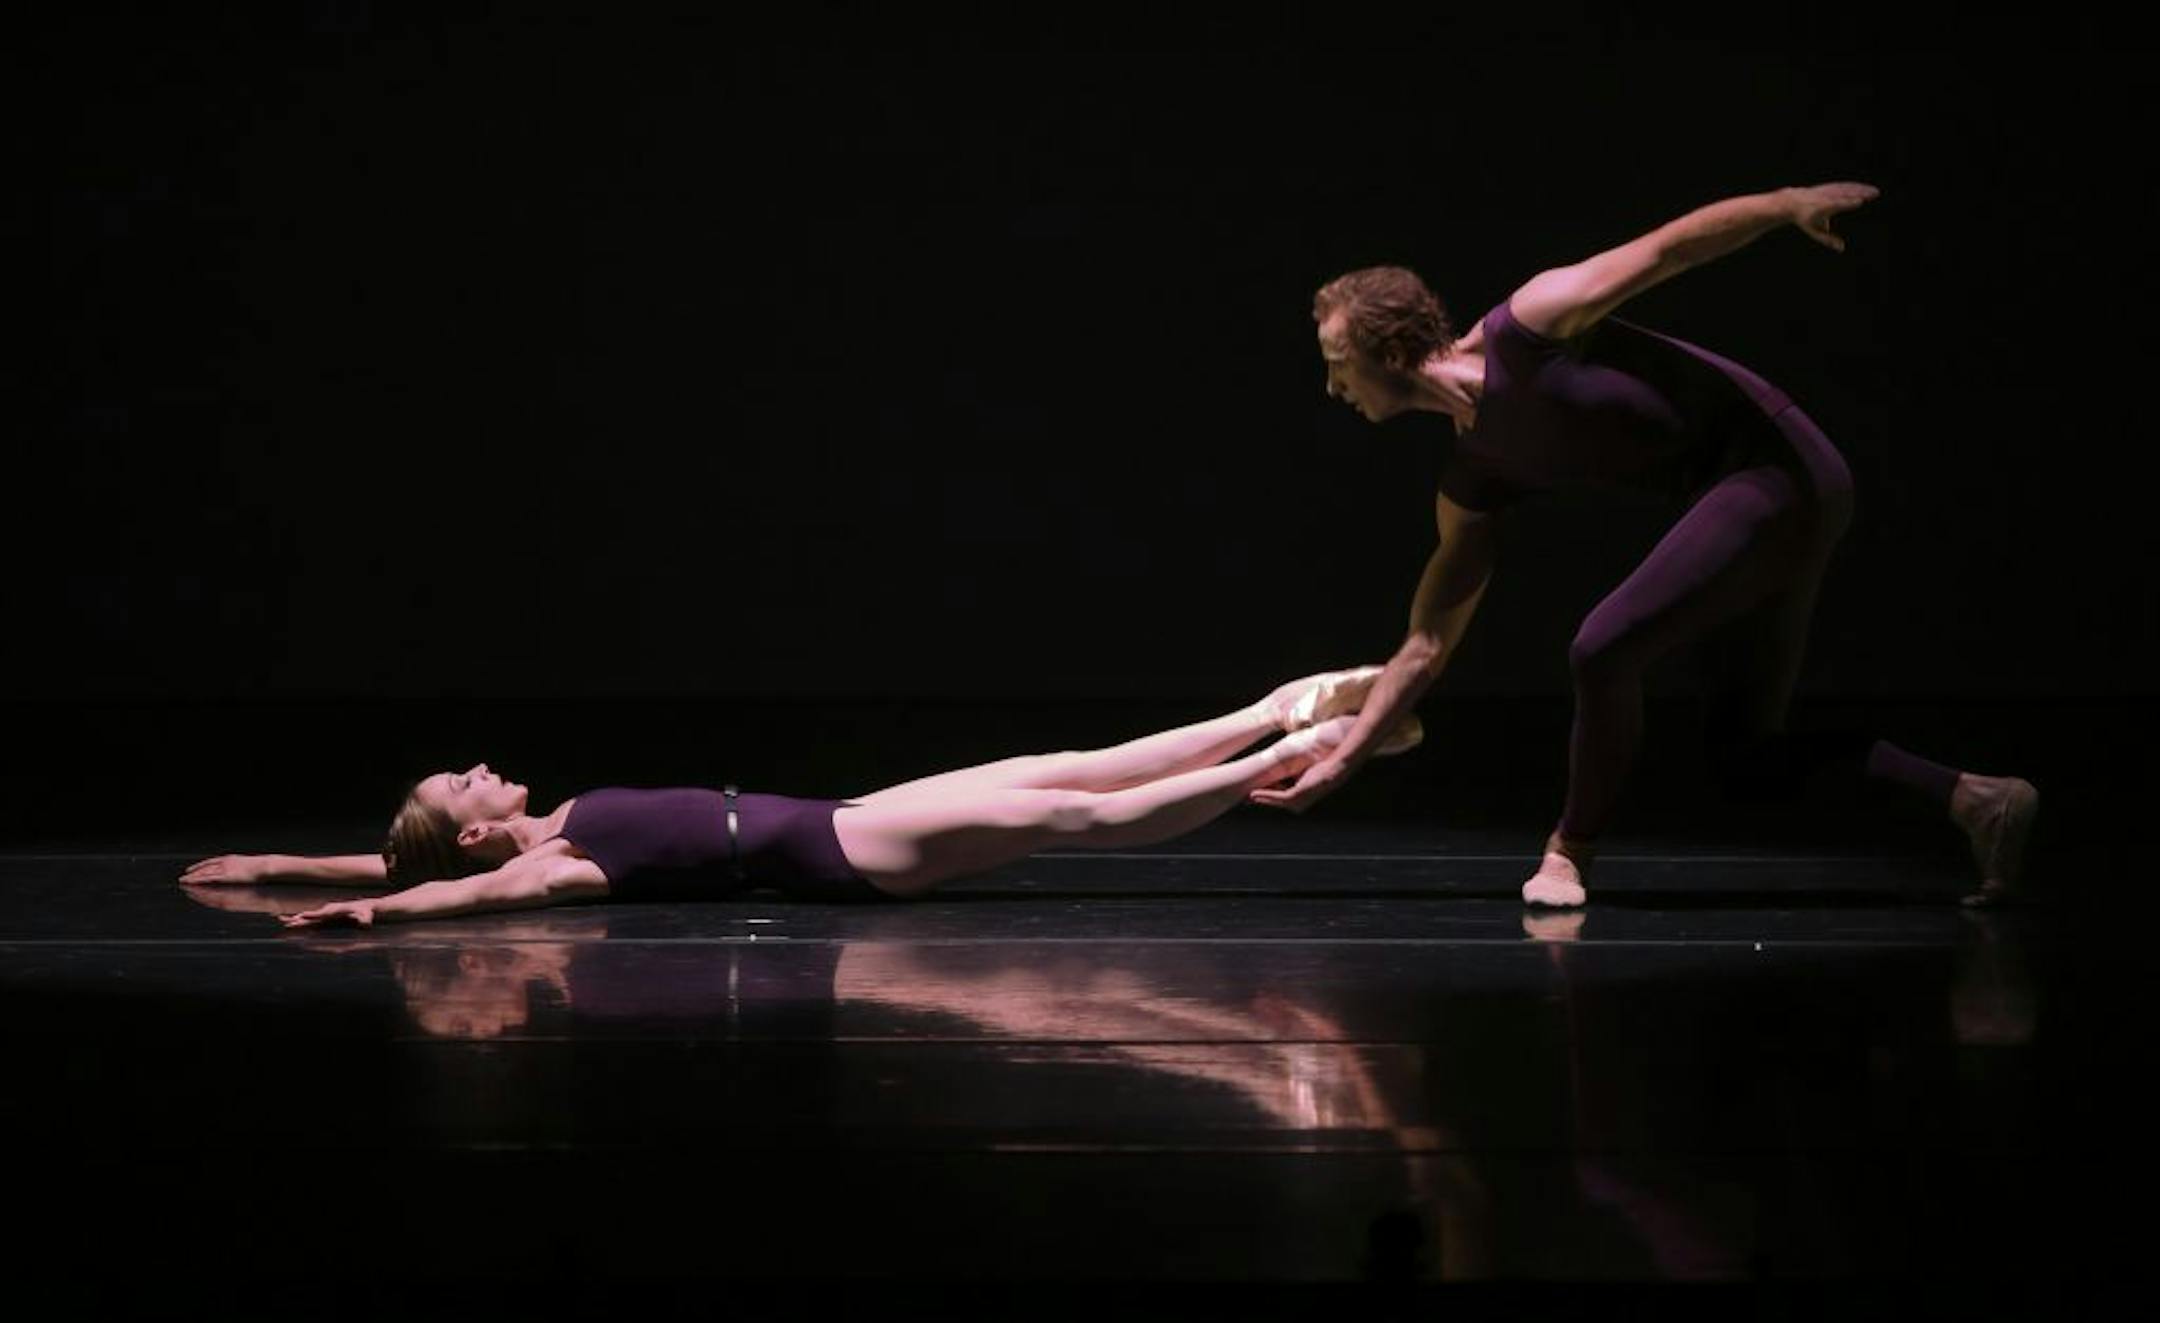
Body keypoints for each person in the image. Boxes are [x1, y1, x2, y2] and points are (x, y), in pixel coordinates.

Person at [1263, 183, 2036, 907]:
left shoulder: (1530, 326)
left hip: (1777, 465)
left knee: (1600, 648)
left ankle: (1569, 850)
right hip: (1755, 503)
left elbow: (1669, 249)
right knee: (1745, 754)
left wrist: (1786, 204)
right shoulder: (1472, 476)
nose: (1334, 388)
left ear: (1391, 351)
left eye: (1339, 365)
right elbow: (1427, 643)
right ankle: (1980, 799)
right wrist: (1342, 761)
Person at [179, 669, 1420, 927]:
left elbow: (414, 865)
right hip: (844, 857)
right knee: (1071, 817)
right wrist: (382, 915)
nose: (478, 765)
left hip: (838, 814)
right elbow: (460, 896)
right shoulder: (553, 865)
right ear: (475, 826)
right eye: (463, 782)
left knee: (1069, 766)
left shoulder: (538, 828)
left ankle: (1272, 707)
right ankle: (1289, 756)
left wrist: (282, 867)